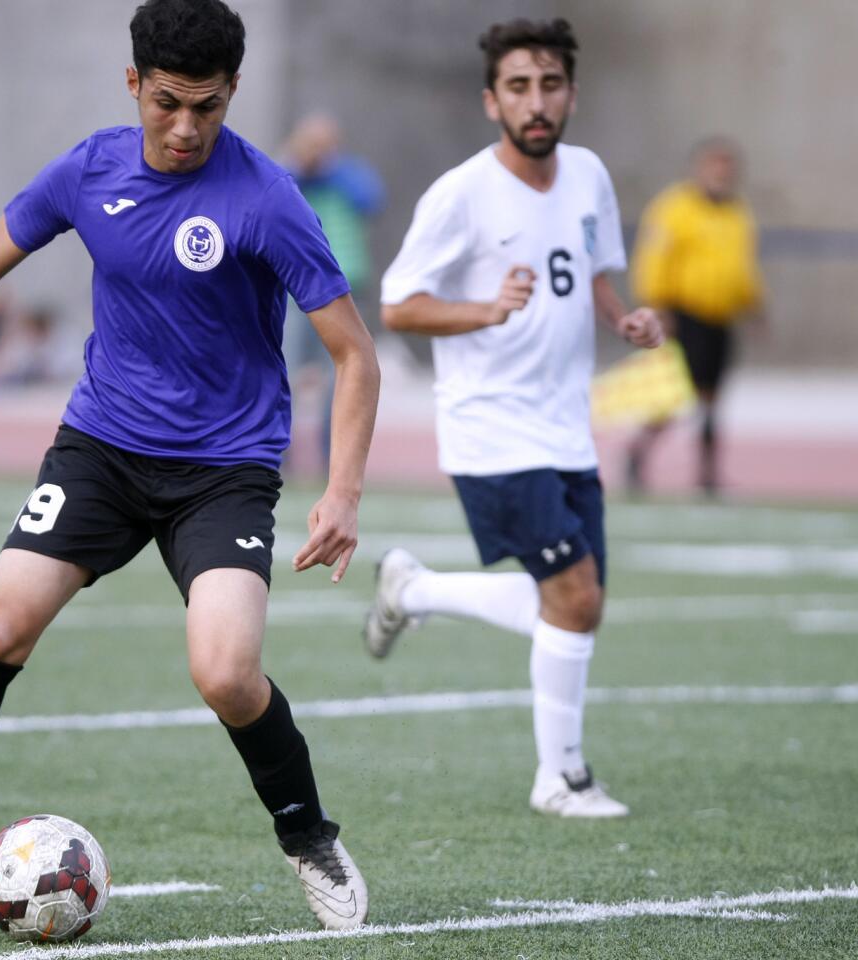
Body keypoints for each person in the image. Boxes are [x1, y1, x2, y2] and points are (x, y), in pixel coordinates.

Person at [0, 0, 379, 931]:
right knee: (0, 627)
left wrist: (342, 490)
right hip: (101, 449)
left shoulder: (266, 197)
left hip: (224, 467)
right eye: (167, 103)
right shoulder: (89, 168)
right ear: (132, 85)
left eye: (209, 107)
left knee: (226, 674)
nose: (186, 127)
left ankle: (309, 836)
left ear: (232, 95)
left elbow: (355, 354)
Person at [365, 18, 663, 818]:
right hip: (490, 427)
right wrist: (486, 310)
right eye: (520, 88)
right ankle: (559, 779)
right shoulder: (461, 194)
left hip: (567, 424)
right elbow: (398, 306)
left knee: (577, 601)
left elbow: (594, 271)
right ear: (492, 102)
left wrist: (623, 319)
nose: (538, 102)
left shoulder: (590, 174)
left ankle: (416, 590)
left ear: (571, 92)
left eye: (551, 84)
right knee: (572, 595)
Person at [627, 137, 766, 495]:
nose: (721, 173)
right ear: (698, 168)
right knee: (677, 394)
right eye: (714, 165)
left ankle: (707, 471)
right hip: (685, 314)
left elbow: (743, 267)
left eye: (727, 166)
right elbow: (655, 259)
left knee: (712, 397)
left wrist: (753, 306)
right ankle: (638, 453)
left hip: (721, 317)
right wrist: (658, 306)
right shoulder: (675, 209)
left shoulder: (737, 213)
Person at [280, 113, 385, 472]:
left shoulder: (348, 175)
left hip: (346, 289)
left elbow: (371, 198)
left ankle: (332, 457)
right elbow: (270, 194)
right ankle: (279, 455)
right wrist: (301, 165)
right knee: (284, 372)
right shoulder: (289, 175)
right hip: (295, 292)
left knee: (342, 376)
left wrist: (329, 168)